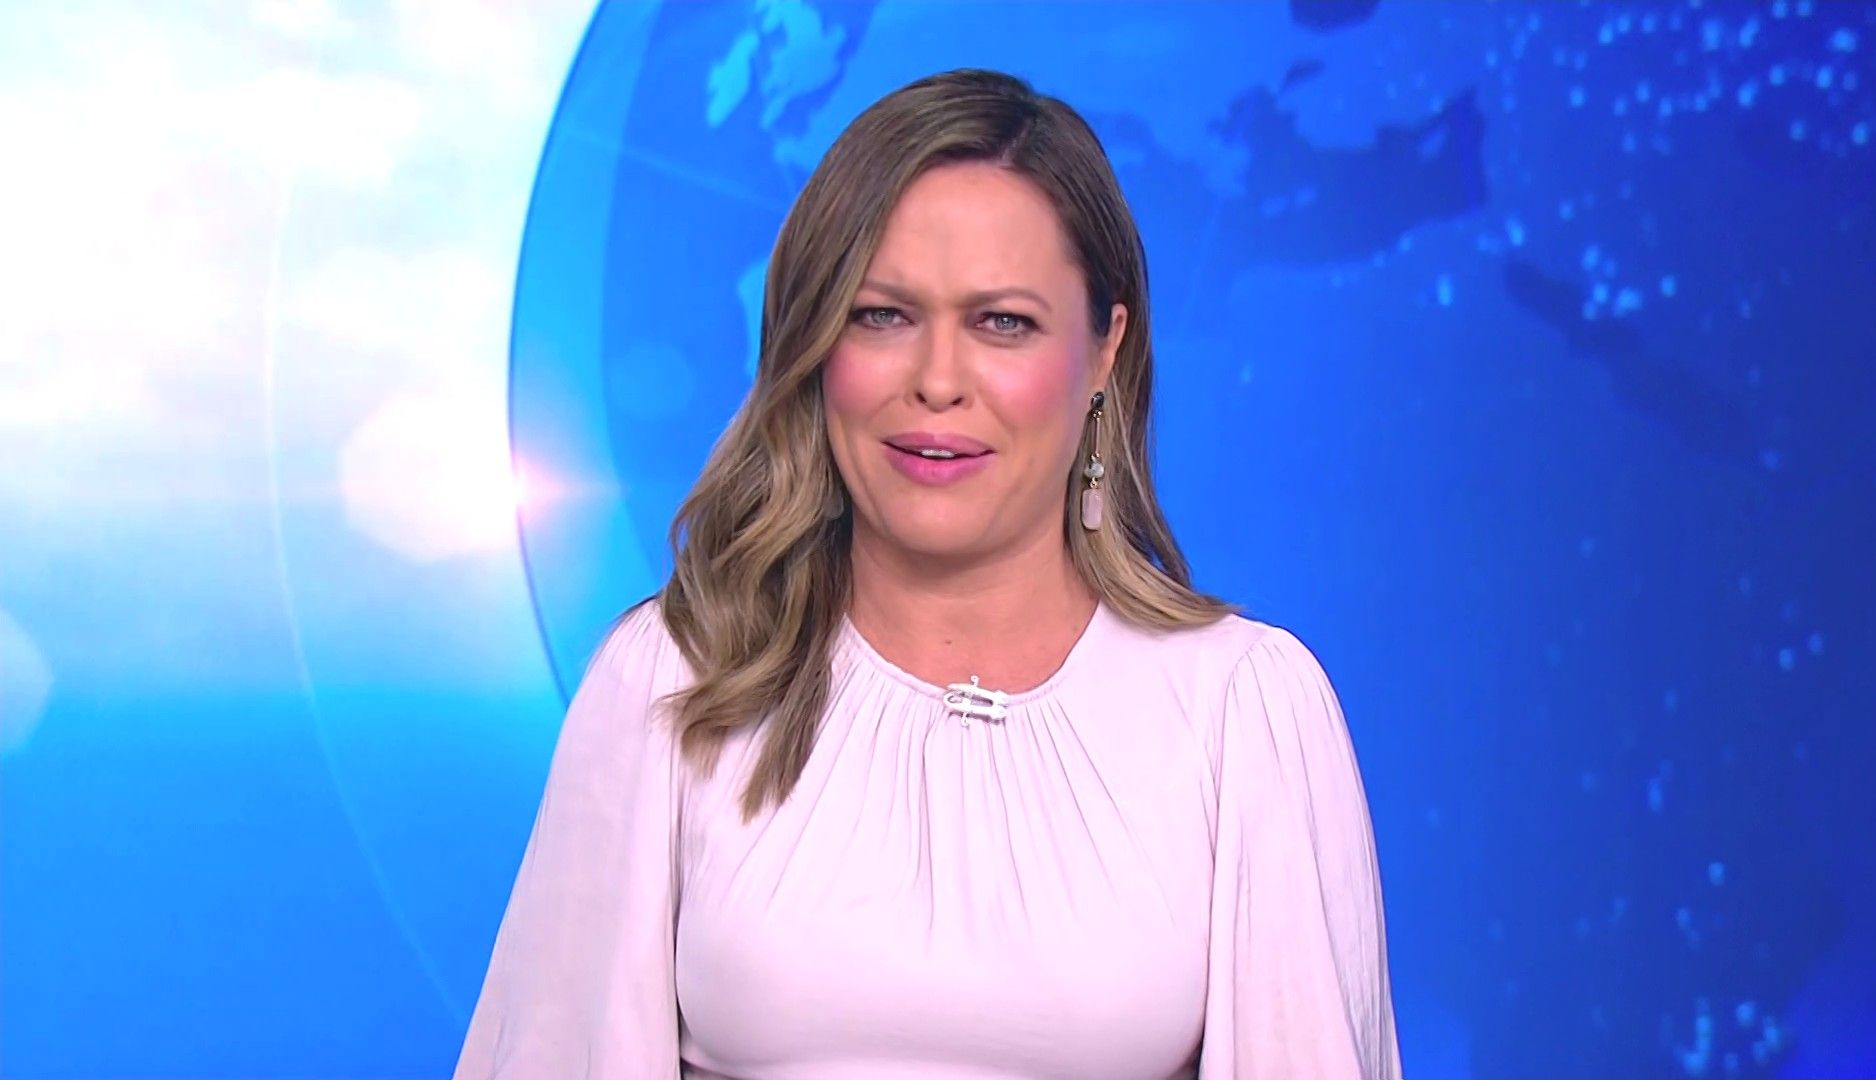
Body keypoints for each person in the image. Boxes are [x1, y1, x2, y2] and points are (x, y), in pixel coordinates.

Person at [453, 67, 1402, 1079]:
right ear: (815, 344)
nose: (937, 381)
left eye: (1003, 323)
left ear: (1103, 356)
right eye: (882, 315)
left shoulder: (1243, 710)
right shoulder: (673, 681)